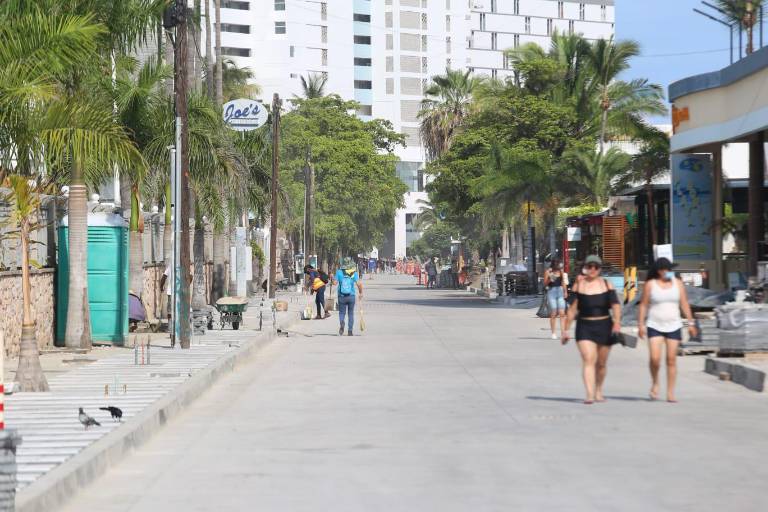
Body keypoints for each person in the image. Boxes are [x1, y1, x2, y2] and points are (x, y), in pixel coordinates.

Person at [562, 255, 622, 404]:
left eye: (596, 267)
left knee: (601, 364)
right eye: (590, 266)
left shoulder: (607, 285)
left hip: (604, 326)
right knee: (588, 359)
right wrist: (565, 330)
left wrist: (617, 322)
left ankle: (598, 391)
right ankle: (589, 394)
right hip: (584, 327)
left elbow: (615, 305)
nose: (593, 269)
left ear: (600, 269)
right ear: (585, 268)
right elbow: (572, 310)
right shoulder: (579, 286)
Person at [637, 257, 697, 403]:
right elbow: (644, 305)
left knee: (671, 359)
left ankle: (670, 392)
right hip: (654, 324)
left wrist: (691, 323)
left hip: (674, 324)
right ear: (657, 271)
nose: (665, 272)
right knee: (655, 359)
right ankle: (655, 383)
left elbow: (684, 303)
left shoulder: (678, 284)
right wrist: (640, 324)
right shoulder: (650, 284)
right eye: (662, 269)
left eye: (668, 269)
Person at [335, 257, 364, 336]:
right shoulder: (353, 273)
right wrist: (361, 293)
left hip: (341, 296)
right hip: (351, 296)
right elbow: (359, 284)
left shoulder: (339, 272)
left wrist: (331, 278)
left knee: (341, 312)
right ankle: (350, 331)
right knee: (350, 313)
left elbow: (334, 283)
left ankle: (342, 323)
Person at [544, 259, 568, 340]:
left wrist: (565, 291)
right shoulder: (548, 272)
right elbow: (545, 283)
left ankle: (563, 332)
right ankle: (553, 333)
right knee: (553, 313)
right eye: (557, 266)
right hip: (551, 292)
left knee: (562, 313)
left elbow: (563, 282)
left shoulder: (561, 271)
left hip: (560, 291)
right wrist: (550, 278)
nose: (558, 268)